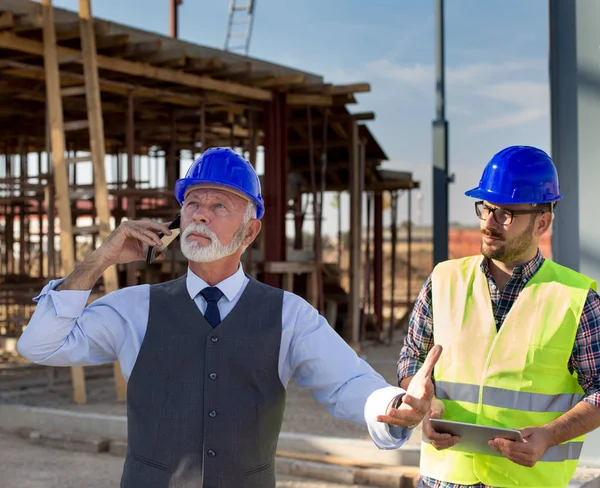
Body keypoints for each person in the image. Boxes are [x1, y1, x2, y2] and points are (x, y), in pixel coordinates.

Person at [17, 147, 441, 488]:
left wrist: (394, 405)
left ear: (250, 231)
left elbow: (347, 382)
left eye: (219, 204)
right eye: (192, 203)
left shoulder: (288, 315)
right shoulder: (134, 308)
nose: (200, 213)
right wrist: (101, 258)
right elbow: (40, 345)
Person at [393, 145, 600, 488]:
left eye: (505, 213)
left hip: (527, 482)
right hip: (443, 479)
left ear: (542, 222)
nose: (489, 223)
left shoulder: (577, 299)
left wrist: (549, 435)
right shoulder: (443, 280)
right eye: (485, 208)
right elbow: (411, 359)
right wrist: (424, 405)